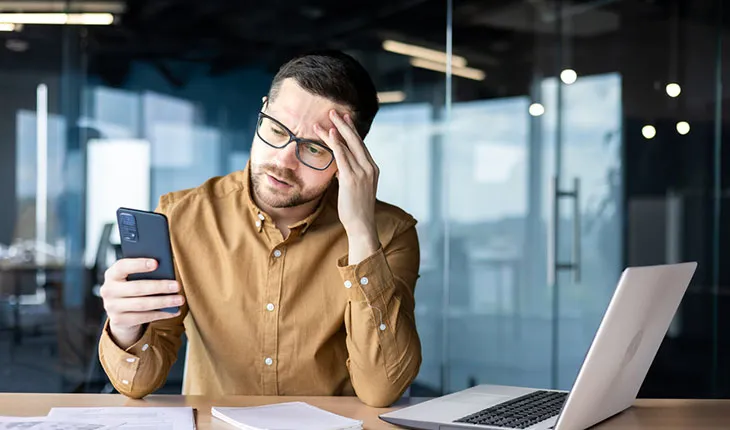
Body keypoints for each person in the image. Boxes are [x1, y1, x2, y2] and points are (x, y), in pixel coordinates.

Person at [97, 50, 422, 407]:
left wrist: (360, 230)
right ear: (263, 110)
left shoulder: (389, 233)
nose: (283, 161)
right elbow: (137, 382)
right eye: (276, 129)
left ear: (351, 156)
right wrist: (125, 326)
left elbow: (383, 388)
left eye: (314, 149)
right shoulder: (182, 217)